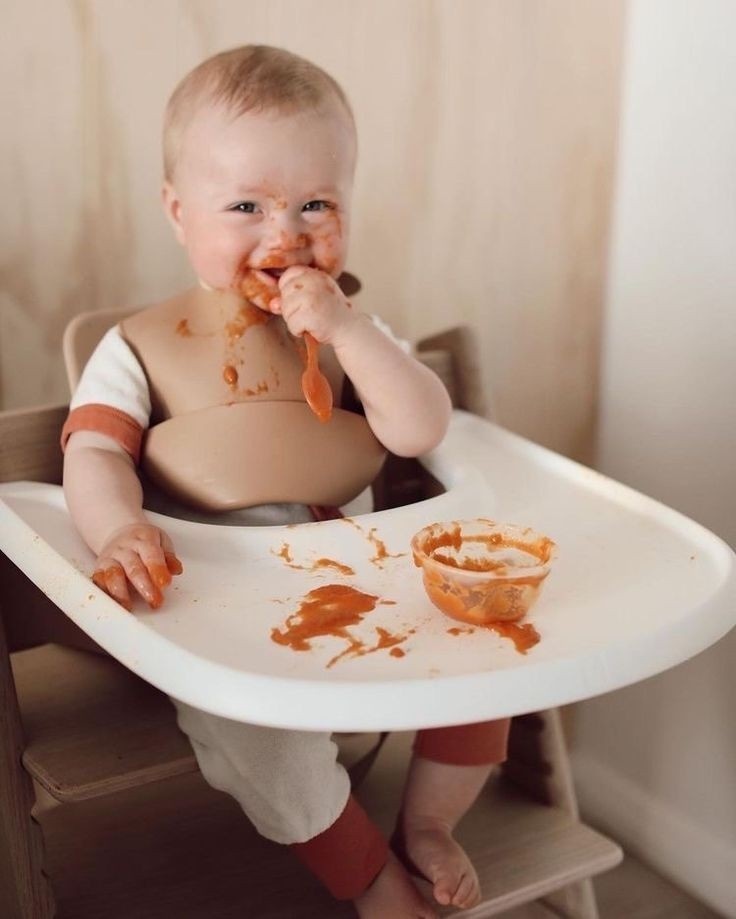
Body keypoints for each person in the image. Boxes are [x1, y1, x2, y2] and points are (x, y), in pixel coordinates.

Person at [61, 45, 510, 917]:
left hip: (367, 583)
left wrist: (351, 334)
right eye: (246, 206)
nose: (286, 233)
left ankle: (429, 822)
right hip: (223, 615)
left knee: (487, 634)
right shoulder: (137, 347)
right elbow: (95, 455)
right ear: (178, 211)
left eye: (316, 204)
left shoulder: (355, 333)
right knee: (249, 729)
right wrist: (118, 530)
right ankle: (368, 874)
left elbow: (419, 429)